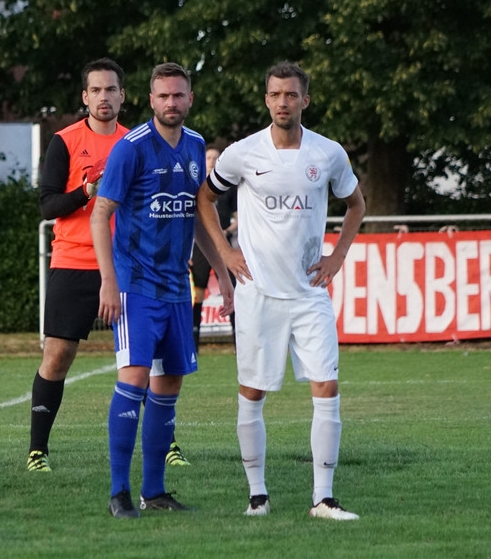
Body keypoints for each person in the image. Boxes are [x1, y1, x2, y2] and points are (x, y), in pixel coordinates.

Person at [196, 61, 366, 521]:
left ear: (304, 100)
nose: (282, 102)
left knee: (327, 387)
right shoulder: (242, 153)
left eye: (291, 94)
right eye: (275, 94)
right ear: (266, 100)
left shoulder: (328, 153)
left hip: (309, 294)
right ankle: (258, 496)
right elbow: (205, 199)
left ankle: (323, 498)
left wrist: (337, 257)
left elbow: (356, 204)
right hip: (258, 295)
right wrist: (226, 252)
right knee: (252, 393)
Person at [91, 62, 233, 518]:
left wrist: (223, 275)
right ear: (150, 100)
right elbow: (100, 214)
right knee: (133, 378)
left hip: (176, 289)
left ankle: (154, 491)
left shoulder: (195, 146)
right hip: (135, 286)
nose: (171, 102)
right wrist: (108, 281)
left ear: (190, 99)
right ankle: (118, 492)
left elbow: (200, 220)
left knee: (169, 383)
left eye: (179, 95)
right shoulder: (131, 149)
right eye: (163, 96)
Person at [27, 58, 129, 473]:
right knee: (58, 355)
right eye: (96, 90)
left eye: (111, 89)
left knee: (145, 359)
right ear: (85, 97)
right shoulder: (64, 141)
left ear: (123, 95)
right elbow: (48, 205)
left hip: (125, 264)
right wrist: (87, 190)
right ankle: (38, 451)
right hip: (74, 261)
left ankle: (168, 444)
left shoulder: (136, 142)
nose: (104, 97)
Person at [189, 147, 237, 351]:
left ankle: (238, 341)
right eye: (208, 157)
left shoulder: (228, 188)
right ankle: (193, 343)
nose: (211, 160)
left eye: (215, 158)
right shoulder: (196, 185)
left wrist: (225, 231)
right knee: (197, 294)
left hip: (223, 245)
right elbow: (192, 219)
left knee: (232, 290)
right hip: (200, 246)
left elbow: (238, 218)